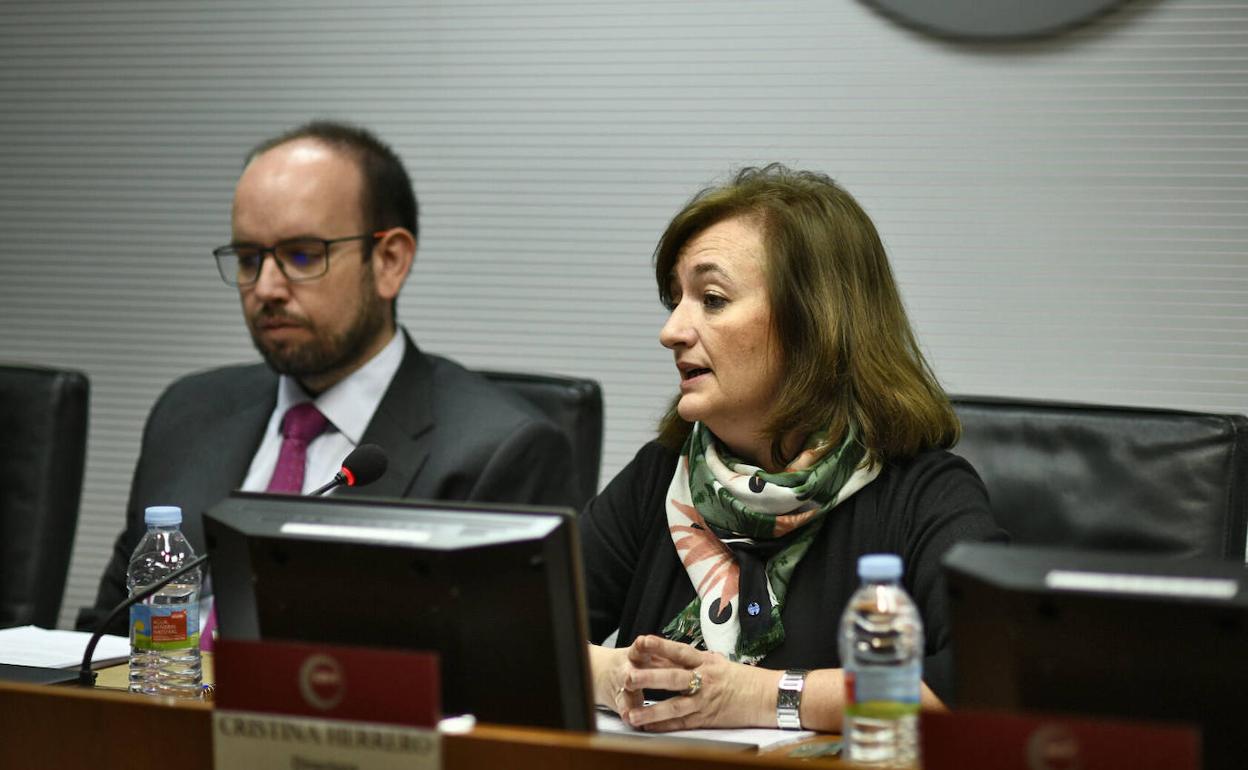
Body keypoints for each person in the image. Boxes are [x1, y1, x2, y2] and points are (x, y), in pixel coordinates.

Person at [79, 121, 576, 634]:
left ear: (389, 261)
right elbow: (107, 632)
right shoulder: (188, 413)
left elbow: (497, 665)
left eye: (301, 255)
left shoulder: (497, 453)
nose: (266, 287)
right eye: (248, 259)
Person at [581, 164, 1005, 732]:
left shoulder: (922, 494)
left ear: (812, 322)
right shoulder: (661, 476)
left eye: (711, 298)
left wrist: (763, 695)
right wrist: (613, 675)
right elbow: (513, 633)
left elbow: (984, 684)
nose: (672, 331)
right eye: (675, 300)